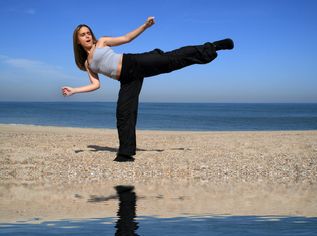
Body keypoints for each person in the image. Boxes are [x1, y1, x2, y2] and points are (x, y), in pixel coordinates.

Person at [62, 17, 234, 162]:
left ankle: (213, 47)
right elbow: (95, 85)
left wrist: (144, 26)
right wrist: (74, 90)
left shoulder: (102, 42)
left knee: (171, 60)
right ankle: (125, 154)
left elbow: (127, 38)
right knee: (123, 113)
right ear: (77, 40)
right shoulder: (87, 64)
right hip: (127, 79)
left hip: (134, 63)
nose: (87, 36)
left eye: (88, 33)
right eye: (83, 35)